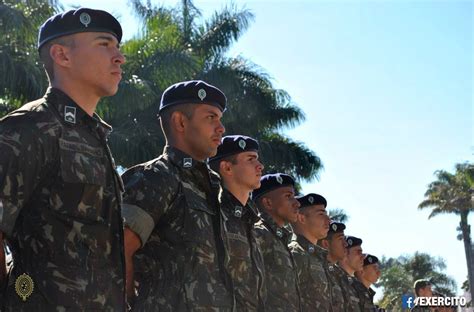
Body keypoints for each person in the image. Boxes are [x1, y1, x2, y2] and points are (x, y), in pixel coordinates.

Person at [0, 8, 127, 311]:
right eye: (104, 44)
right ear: (62, 55)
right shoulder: (29, 128)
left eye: (117, 47)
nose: (119, 56)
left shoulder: (94, 138)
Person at [121, 80, 234, 311]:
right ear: (180, 122)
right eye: (211, 118)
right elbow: (120, 251)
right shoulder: (156, 177)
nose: (221, 128)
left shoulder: (212, 188)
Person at [208, 134, 266, 311]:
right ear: (227, 168)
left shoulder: (251, 222)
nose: (260, 166)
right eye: (250, 159)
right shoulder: (210, 212)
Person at [252, 173, 302, 312]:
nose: (297, 203)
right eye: (288, 196)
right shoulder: (258, 234)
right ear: (268, 203)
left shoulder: (282, 240)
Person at [288, 193, 332, 311]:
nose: (328, 220)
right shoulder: (293, 253)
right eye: (321, 214)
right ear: (302, 218)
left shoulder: (319, 258)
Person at [318, 221, 348, 311]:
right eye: (340, 239)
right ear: (326, 244)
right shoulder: (316, 267)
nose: (345, 244)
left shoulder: (340, 274)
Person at [339, 236, 365, 311]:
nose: (362, 257)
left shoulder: (358, 286)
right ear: (346, 253)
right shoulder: (334, 279)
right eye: (358, 252)